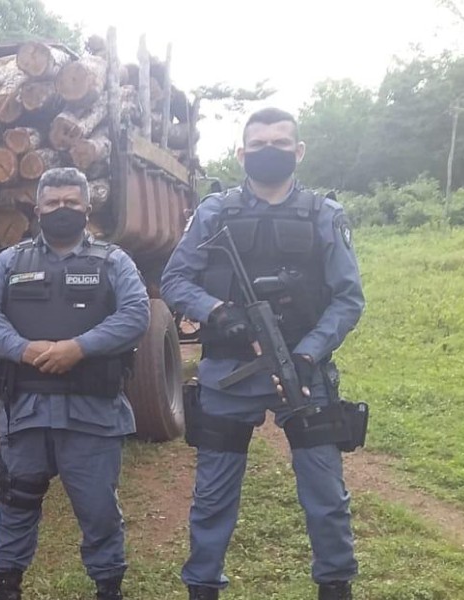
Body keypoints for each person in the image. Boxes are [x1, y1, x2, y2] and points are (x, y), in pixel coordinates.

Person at [160, 107, 366, 600]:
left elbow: (348, 298)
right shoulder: (215, 212)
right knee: (213, 496)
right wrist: (217, 312)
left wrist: (308, 355)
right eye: (258, 145)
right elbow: (175, 280)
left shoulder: (324, 214)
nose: (268, 152)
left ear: (299, 151)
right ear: (241, 153)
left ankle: (335, 586)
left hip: (304, 375)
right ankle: (202, 587)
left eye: (280, 143)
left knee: (325, 495)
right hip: (228, 371)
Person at [0, 167, 151, 600]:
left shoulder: (113, 261)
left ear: (87, 208)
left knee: (98, 509)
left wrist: (79, 348)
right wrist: (22, 349)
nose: (61, 209)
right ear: (37, 210)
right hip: (25, 410)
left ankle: (108, 587)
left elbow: (136, 314)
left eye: (71, 202)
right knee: (15, 501)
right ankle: (7, 587)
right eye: (52, 203)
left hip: (92, 413)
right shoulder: (9, 262)